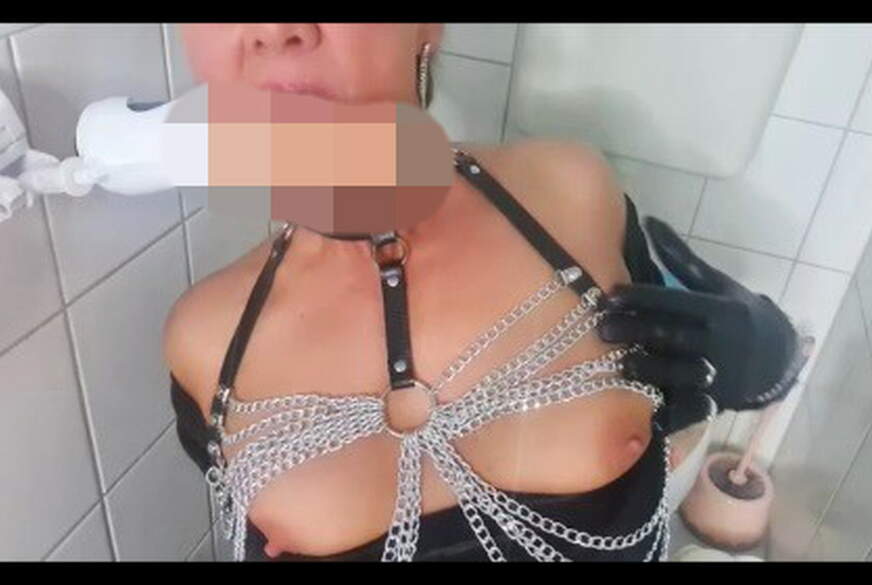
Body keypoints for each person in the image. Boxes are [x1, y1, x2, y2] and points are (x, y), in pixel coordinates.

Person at [162, 23, 803, 562]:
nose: (273, 30)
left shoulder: (569, 195)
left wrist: (767, 366)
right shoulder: (206, 340)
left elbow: (673, 389)